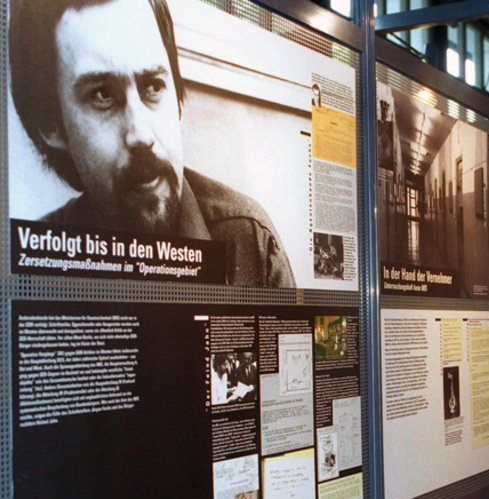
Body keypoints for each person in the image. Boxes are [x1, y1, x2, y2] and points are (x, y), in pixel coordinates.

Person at [9, 0, 295, 287]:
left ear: (178, 99)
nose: (141, 135)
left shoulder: (248, 241)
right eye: (103, 95)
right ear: (51, 125)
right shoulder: (35, 262)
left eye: (153, 87)